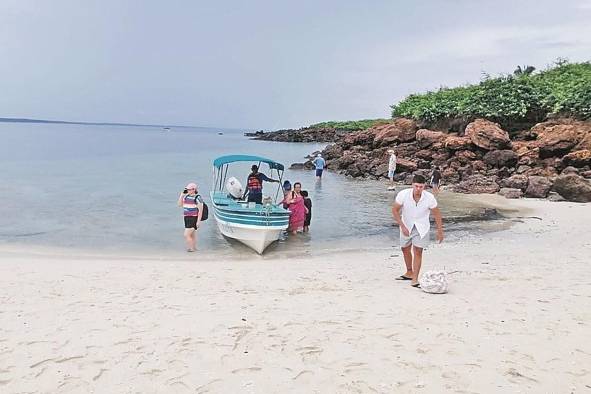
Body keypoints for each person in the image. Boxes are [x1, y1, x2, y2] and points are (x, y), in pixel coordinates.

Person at [391, 175, 444, 288]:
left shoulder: (429, 197)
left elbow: (437, 214)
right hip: (406, 225)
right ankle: (409, 272)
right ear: (412, 185)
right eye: (416, 186)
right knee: (405, 249)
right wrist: (402, 226)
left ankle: (415, 279)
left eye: (421, 187)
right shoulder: (403, 194)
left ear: (424, 186)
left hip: (422, 227)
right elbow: (394, 210)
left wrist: (440, 231)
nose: (418, 189)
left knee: (418, 251)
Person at [177, 182, 204, 252]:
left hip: (193, 218)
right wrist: (181, 195)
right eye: (187, 189)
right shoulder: (186, 197)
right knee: (192, 235)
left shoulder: (198, 198)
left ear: (193, 189)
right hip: (186, 218)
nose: (188, 191)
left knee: (186, 234)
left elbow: (200, 211)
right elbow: (179, 204)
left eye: (189, 189)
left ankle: (191, 249)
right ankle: (194, 248)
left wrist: (198, 222)